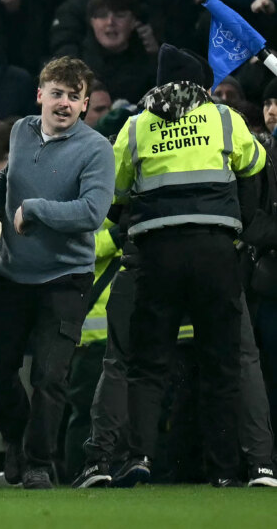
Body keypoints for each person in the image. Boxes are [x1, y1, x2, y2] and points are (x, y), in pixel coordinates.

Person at [111, 45, 267, 487]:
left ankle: (139, 456)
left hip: (157, 253)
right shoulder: (222, 118)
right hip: (215, 249)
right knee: (221, 362)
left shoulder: (137, 126)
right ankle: (222, 471)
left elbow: (117, 189)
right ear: (200, 83)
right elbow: (254, 163)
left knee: (147, 363)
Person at [0, 56, 115, 489]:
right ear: (40, 95)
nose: (65, 103)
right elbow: (8, 184)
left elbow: (92, 213)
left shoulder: (96, 149)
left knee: (50, 378)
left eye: (74, 96)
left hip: (65, 278)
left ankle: (38, 463)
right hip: (12, 276)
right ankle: (16, 442)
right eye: (57, 93)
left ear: (86, 104)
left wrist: (35, 210)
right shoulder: (20, 132)